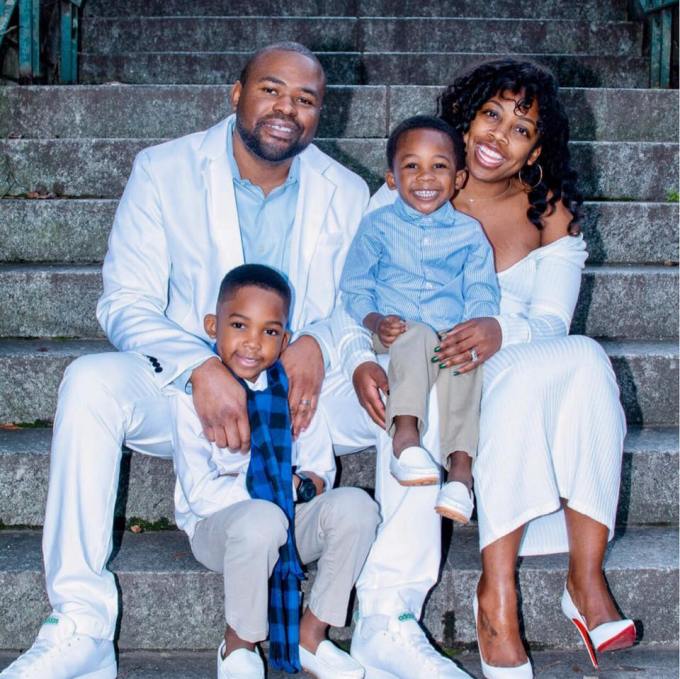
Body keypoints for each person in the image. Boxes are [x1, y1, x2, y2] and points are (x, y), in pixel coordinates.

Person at [1, 41, 469, 679]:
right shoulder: (163, 169)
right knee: (89, 382)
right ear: (237, 93)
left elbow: (355, 299)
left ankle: (388, 618)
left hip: (301, 398)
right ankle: (80, 622)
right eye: (271, 90)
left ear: (322, 112)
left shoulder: (345, 189)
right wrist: (202, 368)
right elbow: (124, 301)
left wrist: (317, 343)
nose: (286, 109)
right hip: (187, 395)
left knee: (414, 392)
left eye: (305, 99)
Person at [366, 58, 633, 678]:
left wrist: (497, 330)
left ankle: (580, 578)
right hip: (430, 365)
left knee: (584, 359)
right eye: (491, 114)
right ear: (464, 119)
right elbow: (360, 288)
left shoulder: (549, 210)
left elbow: (551, 323)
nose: (498, 136)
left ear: (535, 150)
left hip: (514, 359)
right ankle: (501, 596)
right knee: (515, 381)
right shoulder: (415, 183)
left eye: (521, 128)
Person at [172, 264, 377, 679]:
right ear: (213, 326)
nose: (253, 342)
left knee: (358, 507)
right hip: (220, 530)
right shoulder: (192, 397)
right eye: (239, 325)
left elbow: (320, 471)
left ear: (285, 340)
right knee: (262, 518)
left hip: (289, 518)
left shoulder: (293, 392)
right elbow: (202, 495)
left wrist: (303, 487)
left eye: (269, 331)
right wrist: (276, 487)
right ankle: (238, 645)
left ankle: (311, 635)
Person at [339, 115, 499, 524]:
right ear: (391, 179)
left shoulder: (469, 233)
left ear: (459, 178)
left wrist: (472, 329)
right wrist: (375, 321)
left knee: (463, 360)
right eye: (411, 165)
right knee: (417, 335)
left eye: (439, 166)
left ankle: (460, 473)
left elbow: (481, 290)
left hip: (445, 332)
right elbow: (355, 285)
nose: (425, 176)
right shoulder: (377, 227)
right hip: (394, 332)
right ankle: (405, 439)